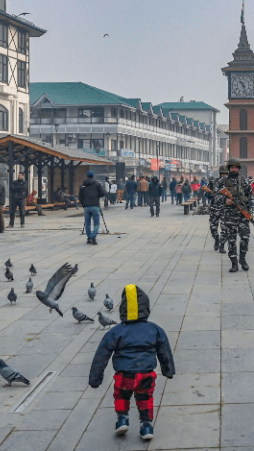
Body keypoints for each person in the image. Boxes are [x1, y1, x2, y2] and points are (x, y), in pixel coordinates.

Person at [89, 284, 175, 442]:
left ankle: (122, 419)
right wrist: (168, 370)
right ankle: (146, 426)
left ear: (123, 310)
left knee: (121, 396)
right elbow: (164, 351)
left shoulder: (116, 331)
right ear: (146, 308)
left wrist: (95, 378)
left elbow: (102, 354)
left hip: (124, 374)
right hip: (146, 374)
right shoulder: (155, 330)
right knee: (145, 398)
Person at [216, 158, 253, 272]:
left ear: (238, 169)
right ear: (229, 169)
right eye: (232, 167)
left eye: (236, 168)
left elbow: (251, 197)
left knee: (245, 238)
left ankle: (242, 259)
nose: (234, 169)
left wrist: (250, 213)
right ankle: (234, 263)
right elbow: (215, 197)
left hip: (242, 215)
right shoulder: (222, 182)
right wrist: (224, 200)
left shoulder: (244, 181)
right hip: (228, 215)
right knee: (231, 240)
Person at [79, 171, 106, 245]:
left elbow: (80, 197)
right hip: (95, 206)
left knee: (87, 223)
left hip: (86, 207)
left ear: (86, 176)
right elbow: (102, 193)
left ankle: (89, 237)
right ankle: (94, 236)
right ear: (93, 176)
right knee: (96, 223)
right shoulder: (97, 184)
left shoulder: (83, 185)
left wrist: (83, 205)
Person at [209, 166, 229, 251]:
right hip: (215, 207)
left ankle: (222, 245)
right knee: (213, 227)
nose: (224, 175)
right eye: (222, 173)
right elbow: (207, 194)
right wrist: (211, 193)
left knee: (225, 228)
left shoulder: (230, 183)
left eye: (225, 173)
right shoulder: (214, 182)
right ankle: (216, 239)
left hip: (226, 208)